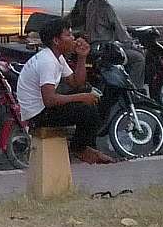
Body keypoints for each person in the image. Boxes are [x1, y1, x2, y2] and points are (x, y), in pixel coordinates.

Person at [16, 18, 114, 164]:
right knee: (88, 110)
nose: (73, 38)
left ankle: (84, 146)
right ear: (56, 41)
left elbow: (77, 83)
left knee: (91, 95)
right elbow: (49, 100)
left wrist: (82, 57)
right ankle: (79, 148)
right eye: (68, 35)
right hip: (38, 114)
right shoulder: (48, 62)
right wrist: (81, 97)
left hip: (44, 107)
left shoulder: (57, 58)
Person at [85, 0, 145, 89]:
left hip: (93, 46)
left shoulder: (90, 5)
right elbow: (121, 32)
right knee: (138, 58)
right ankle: (135, 91)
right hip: (105, 48)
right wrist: (132, 43)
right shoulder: (106, 7)